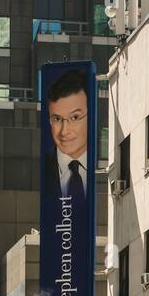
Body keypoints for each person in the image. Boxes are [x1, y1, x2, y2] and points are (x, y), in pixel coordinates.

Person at [42, 68, 90, 208]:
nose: (64, 131)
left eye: (74, 117)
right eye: (57, 119)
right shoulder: (43, 168)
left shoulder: (104, 164)